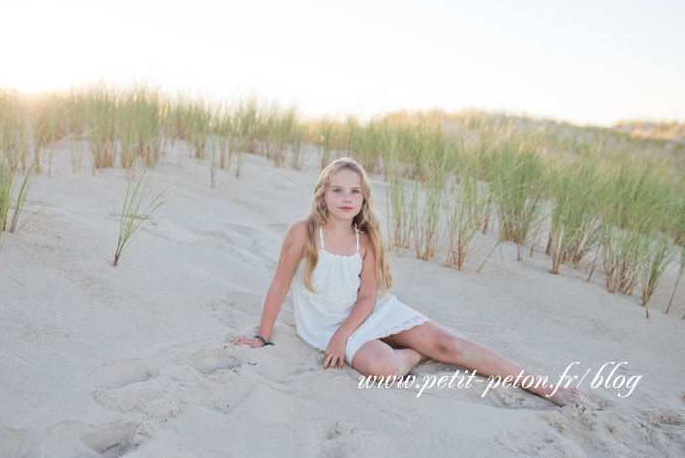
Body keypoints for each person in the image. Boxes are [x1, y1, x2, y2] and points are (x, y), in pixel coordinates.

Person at [233, 157, 580, 406]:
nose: (346, 198)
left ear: (364, 198)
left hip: (365, 315)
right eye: (337, 190)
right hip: (324, 328)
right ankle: (412, 355)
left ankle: (544, 387)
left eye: (354, 192)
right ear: (322, 194)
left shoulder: (365, 241)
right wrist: (263, 336)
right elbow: (279, 284)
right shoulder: (303, 232)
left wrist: (344, 337)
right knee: (383, 367)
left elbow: (368, 298)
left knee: (448, 344)